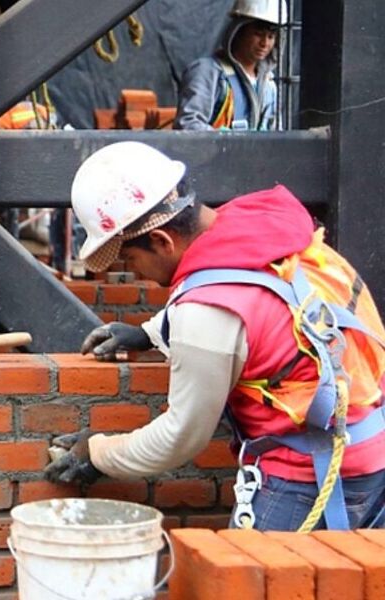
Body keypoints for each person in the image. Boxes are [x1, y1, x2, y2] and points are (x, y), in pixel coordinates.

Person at [44, 141, 385, 532]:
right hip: (373, 446)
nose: (134, 272)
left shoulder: (206, 311)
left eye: (130, 258)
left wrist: (97, 453)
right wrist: (151, 333)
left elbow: (181, 436)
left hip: (311, 475)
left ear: (161, 241)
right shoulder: (260, 228)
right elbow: (271, 307)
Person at [174, 0, 287, 131]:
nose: (265, 43)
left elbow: (276, 134)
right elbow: (188, 125)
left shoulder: (268, 84)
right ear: (238, 32)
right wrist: (226, 141)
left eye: (271, 36)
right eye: (258, 34)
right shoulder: (208, 73)